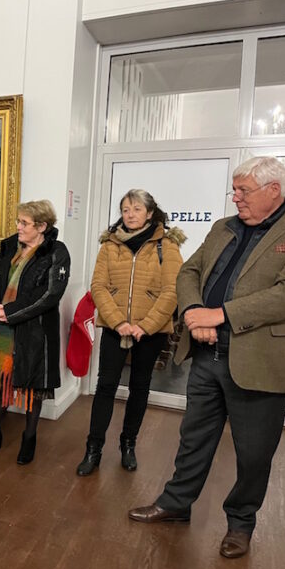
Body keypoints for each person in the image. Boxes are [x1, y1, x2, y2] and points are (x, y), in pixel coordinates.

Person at [128, 156, 285, 559]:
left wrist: (221, 315)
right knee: (194, 438)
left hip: (259, 361)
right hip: (206, 354)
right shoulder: (223, 227)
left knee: (253, 453)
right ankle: (176, 504)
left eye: (243, 191)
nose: (235, 198)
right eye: (234, 190)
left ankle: (241, 524)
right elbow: (189, 273)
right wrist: (194, 312)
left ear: (274, 190)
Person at [76, 190, 185, 476]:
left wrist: (145, 326)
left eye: (136, 209)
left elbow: (172, 291)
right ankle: (93, 449)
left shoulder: (168, 246)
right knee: (105, 387)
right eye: (125, 210)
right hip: (115, 329)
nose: (130, 214)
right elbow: (98, 287)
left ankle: (128, 445)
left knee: (139, 387)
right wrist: (118, 323)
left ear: (150, 213)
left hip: (151, 331)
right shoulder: (110, 244)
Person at [0, 200, 70, 464]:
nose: (18, 226)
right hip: (4, 328)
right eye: (18, 221)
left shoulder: (56, 252)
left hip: (35, 331)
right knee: (2, 379)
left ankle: (29, 437)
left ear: (42, 226)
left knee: (33, 384)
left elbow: (49, 295)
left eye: (24, 223)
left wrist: (10, 312)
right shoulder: (11, 246)